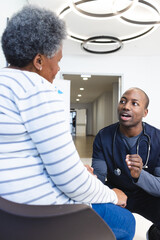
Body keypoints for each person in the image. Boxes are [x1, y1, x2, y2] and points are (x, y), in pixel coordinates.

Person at [0, 5, 135, 240]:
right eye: (58, 60)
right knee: (127, 222)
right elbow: (71, 183)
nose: (59, 68)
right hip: (42, 216)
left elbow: (19, 156)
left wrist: (71, 167)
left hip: (8, 211)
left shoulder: (6, 85)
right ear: (39, 60)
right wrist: (113, 194)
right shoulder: (38, 89)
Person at [92, 87, 160, 240]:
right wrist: (92, 178)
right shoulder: (104, 136)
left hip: (148, 196)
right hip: (118, 193)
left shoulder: (158, 139)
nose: (126, 106)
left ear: (145, 113)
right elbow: (100, 178)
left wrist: (139, 175)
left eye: (134, 103)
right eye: (123, 101)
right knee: (92, 210)